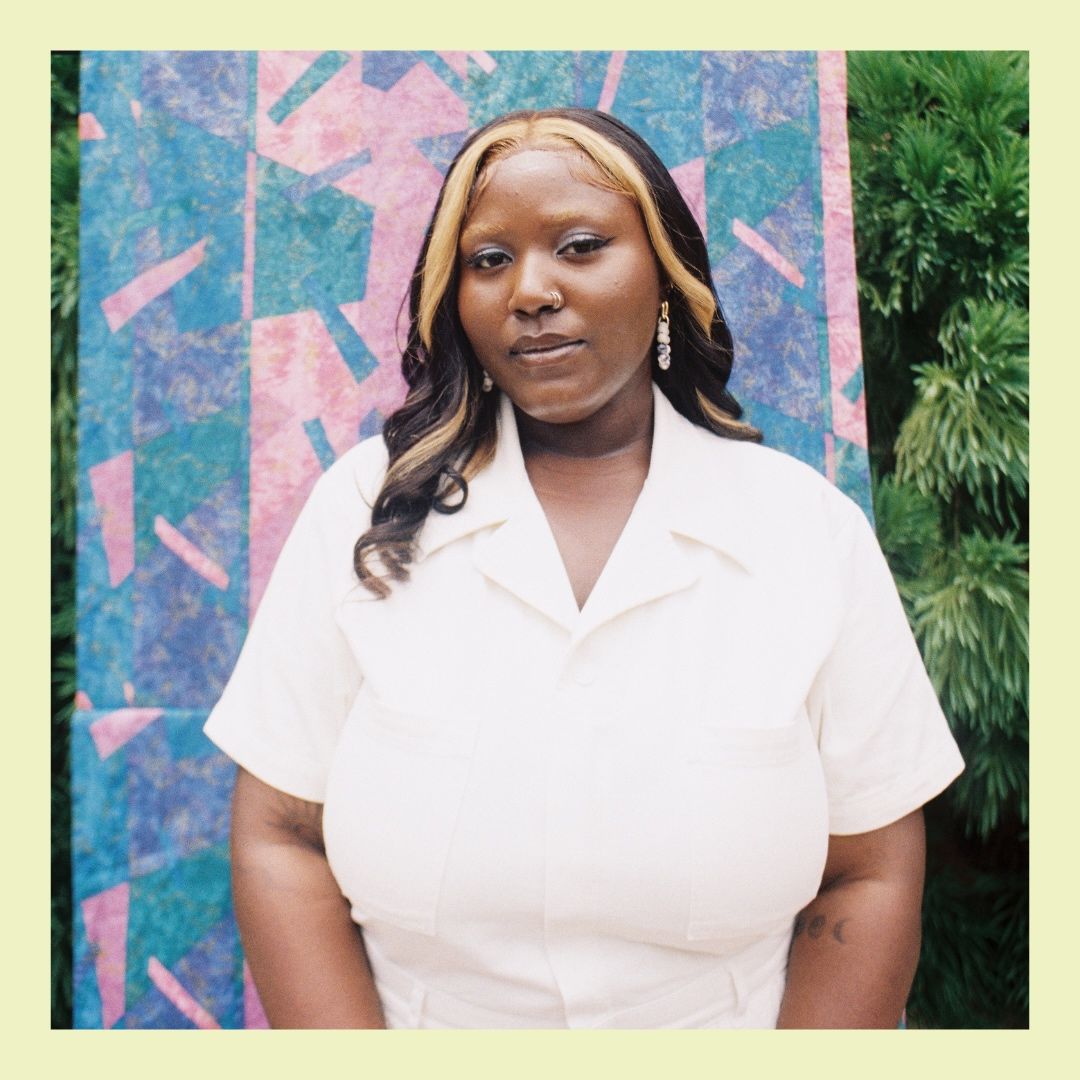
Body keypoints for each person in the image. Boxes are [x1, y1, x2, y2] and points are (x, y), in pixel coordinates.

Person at [204, 107, 964, 1029]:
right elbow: (283, 836)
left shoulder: (805, 533)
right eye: (489, 260)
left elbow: (868, 874)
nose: (531, 289)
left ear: (666, 275)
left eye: (579, 244)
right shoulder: (363, 514)